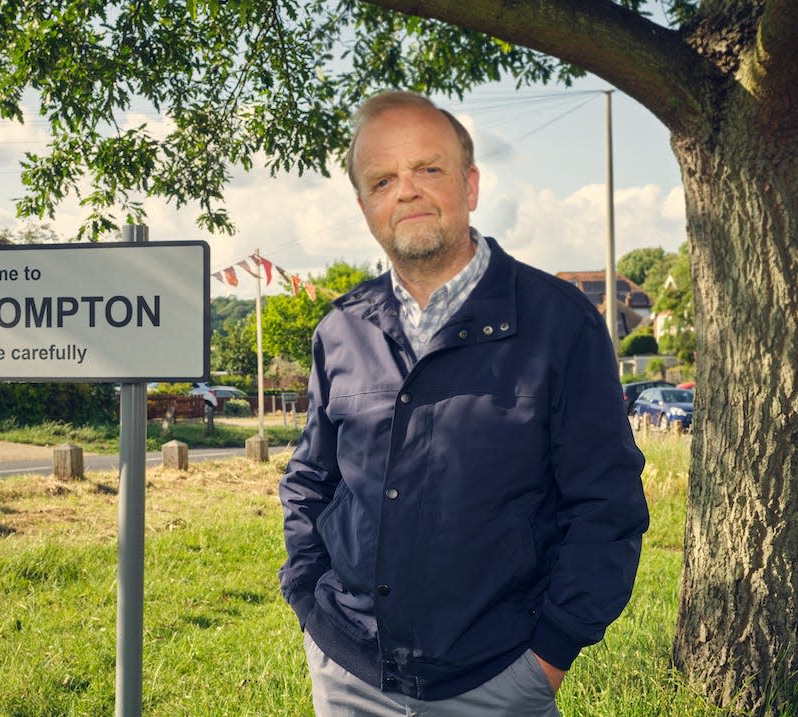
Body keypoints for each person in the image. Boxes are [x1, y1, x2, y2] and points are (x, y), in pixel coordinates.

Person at [278, 90, 649, 716]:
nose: (407, 191)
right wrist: (309, 603)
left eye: (429, 168)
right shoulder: (340, 330)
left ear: (470, 186)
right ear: (366, 205)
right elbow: (311, 479)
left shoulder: (560, 326)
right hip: (347, 673)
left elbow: (606, 506)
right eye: (383, 179)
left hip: (499, 681)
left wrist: (550, 656)